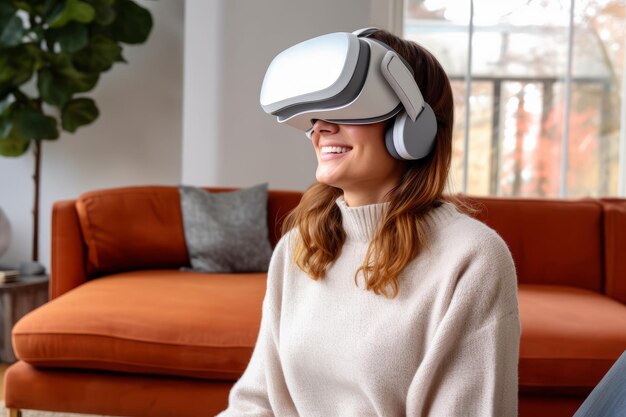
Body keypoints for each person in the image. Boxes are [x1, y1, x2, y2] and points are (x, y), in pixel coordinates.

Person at [217, 28, 521, 417]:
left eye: (349, 107)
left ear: (412, 128)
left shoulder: (471, 258)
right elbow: (256, 402)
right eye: (317, 112)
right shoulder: (299, 246)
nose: (320, 127)